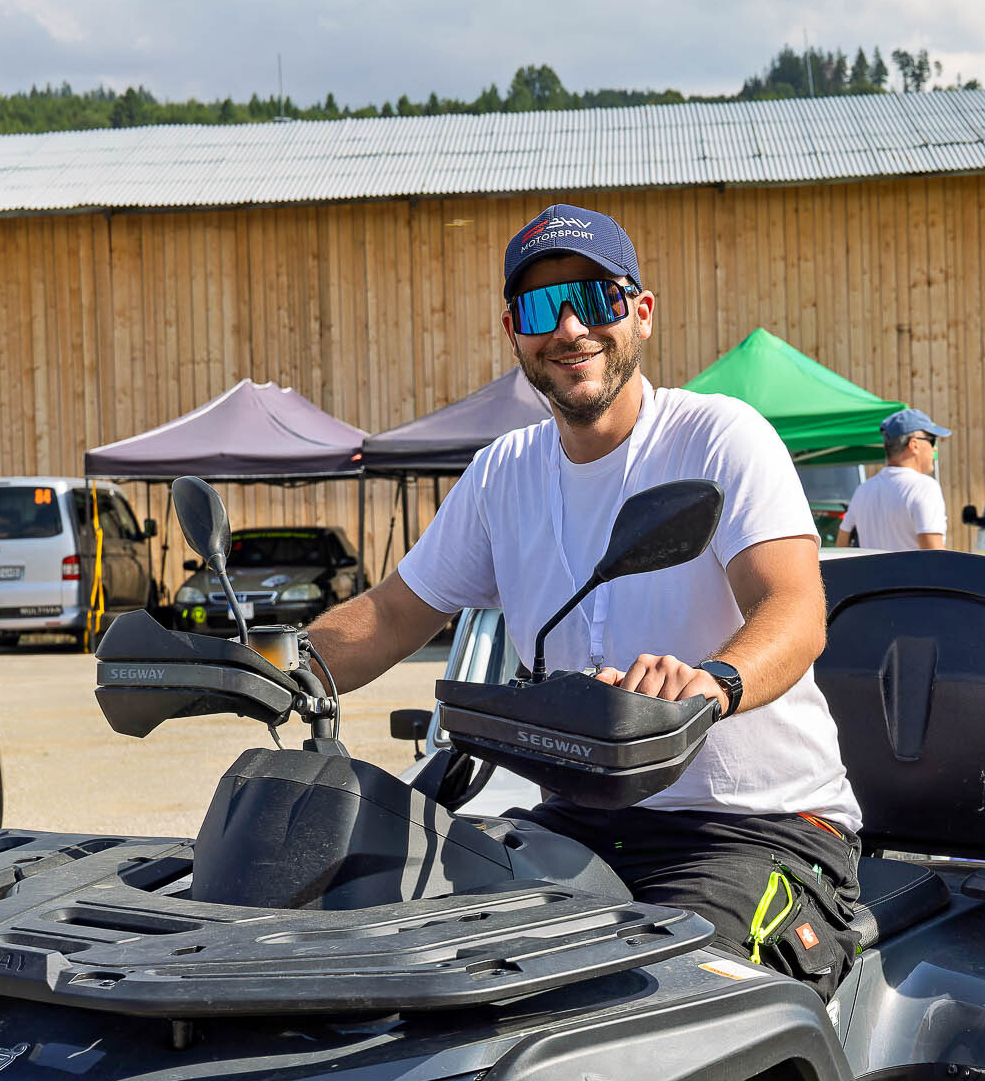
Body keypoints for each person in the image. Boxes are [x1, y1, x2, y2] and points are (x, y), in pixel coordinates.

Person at [306, 203, 863, 991]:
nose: (569, 328)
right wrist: (278, 669)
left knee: (658, 1000)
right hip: (584, 823)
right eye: (541, 308)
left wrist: (710, 683)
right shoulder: (504, 473)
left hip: (758, 829)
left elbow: (795, 609)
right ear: (513, 332)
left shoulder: (716, 437)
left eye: (596, 298)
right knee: (409, 941)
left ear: (642, 313)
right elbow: (395, 612)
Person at [838, 408, 951, 551]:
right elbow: (935, 556)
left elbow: (841, 544)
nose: (934, 449)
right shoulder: (924, 487)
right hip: (912, 568)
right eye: (932, 440)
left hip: (872, 567)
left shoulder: (862, 490)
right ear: (914, 445)